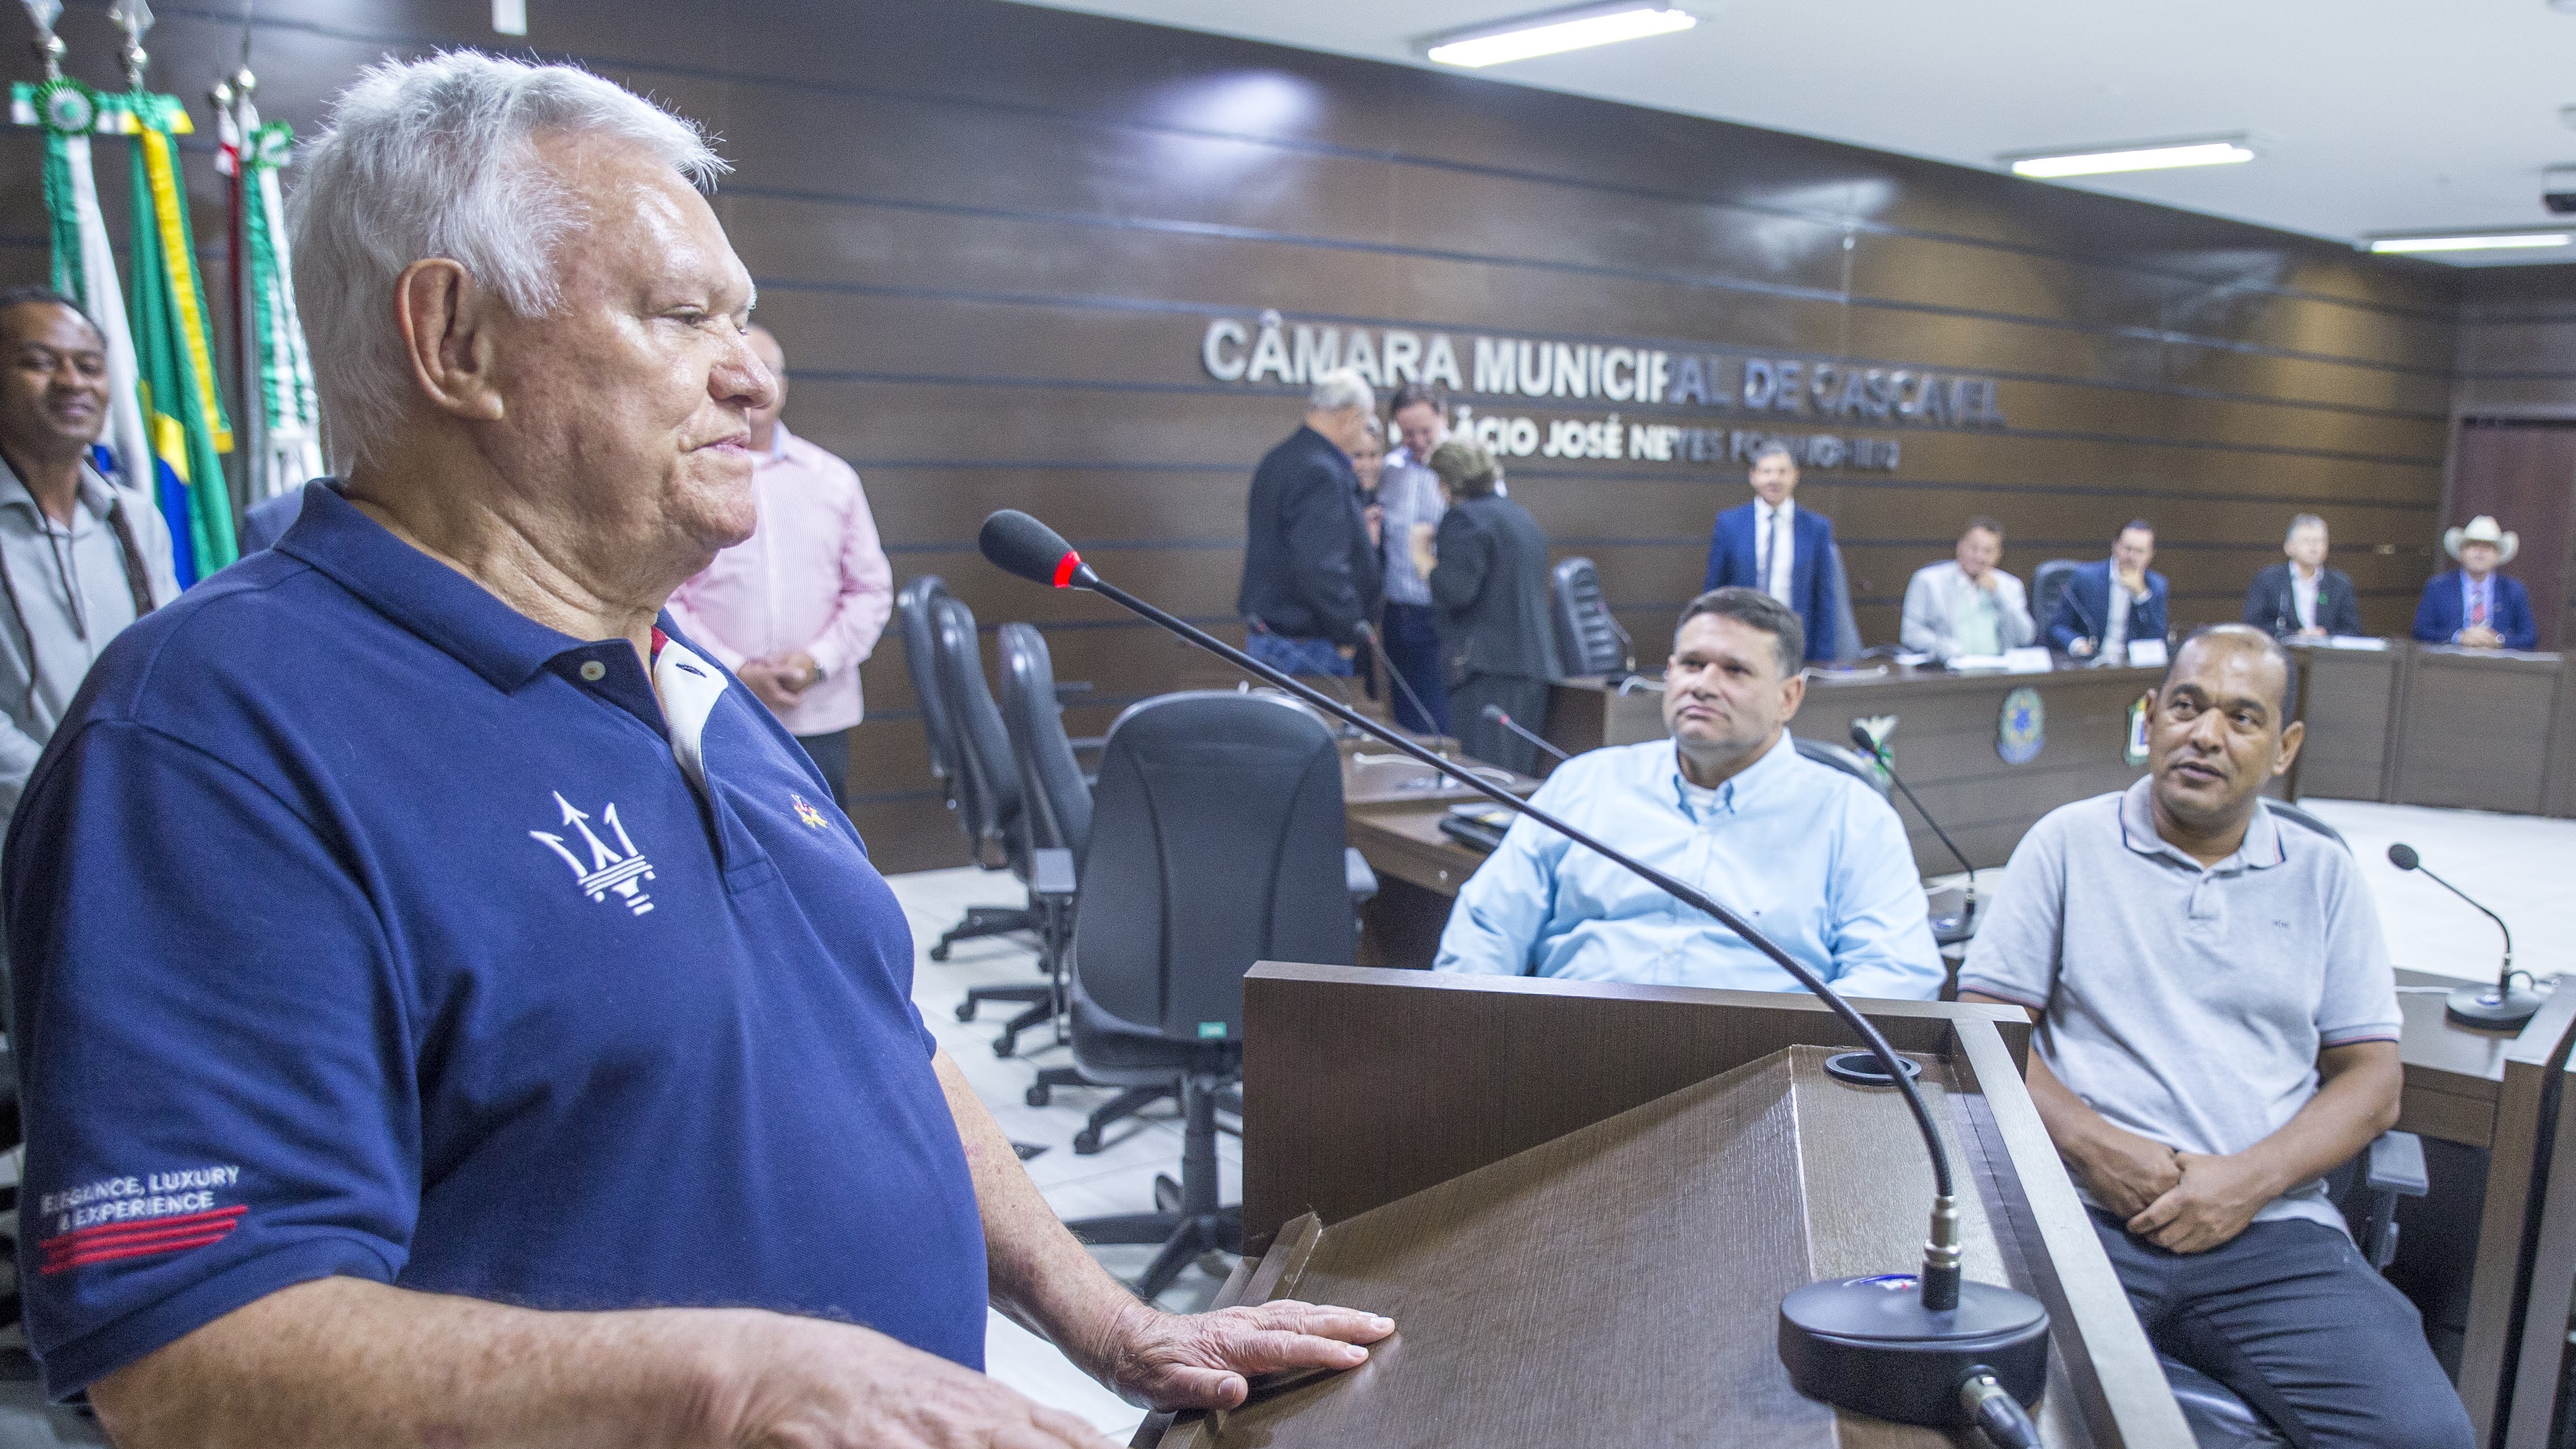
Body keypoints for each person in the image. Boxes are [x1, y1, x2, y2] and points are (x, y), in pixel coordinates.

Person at [4, 55, 1390, 1446]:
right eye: (683, 318)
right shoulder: (209, 736)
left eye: (746, 319)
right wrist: (736, 1386)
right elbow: (187, 1356)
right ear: (455, 340)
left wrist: (1110, 1321)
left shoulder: (687, 676)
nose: (750, 378)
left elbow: (879, 1043)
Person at [1959, 625, 2471, 1449]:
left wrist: (2242, 1183)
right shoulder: (2067, 842)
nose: (2204, 734)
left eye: (2241, 717)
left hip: (2268, 1232)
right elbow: (1982, 1029)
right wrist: (2095, 1146)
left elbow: (2372, 1080)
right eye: (2186, 707)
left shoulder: (2321, 874)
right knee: (1976, 1406)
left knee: (2422, 1435)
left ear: (2282, 747)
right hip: (2074, 1213)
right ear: (2150, 716)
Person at [1434, 587, 1941, 998]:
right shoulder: (1585, 784)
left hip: (1761, 1082)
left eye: (1734, 670)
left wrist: (1799, 1065)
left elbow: (1895, 974)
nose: (1703, 685)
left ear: (1789, 697)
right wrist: (1487, 1032)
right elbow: (1486, 929)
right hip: (1567, 1058)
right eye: (1691, 664)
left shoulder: (1850, 814)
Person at [664, 324, 892, 806]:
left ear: (783, 384)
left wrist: (817, 662)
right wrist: (735, 669)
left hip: (819, 714)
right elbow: (666, 596)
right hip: (718, 707)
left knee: (827, 857)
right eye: (737, 367)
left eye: (766, 369)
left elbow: (869, 591)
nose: (754, 381)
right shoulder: (687, 476)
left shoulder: (833, 479)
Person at [0, 286, 179, 832]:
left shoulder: (136, 519)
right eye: (39, 363)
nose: (72, 382)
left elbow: (168, 667)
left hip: (126, 830)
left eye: (89, 365)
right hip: (21, 839)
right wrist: (75, 801)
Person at [1407, 439, 1559, 774]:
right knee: (1516, 781)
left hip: (1488, 673)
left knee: (1486, 781)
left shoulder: (1462, 519)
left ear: (1446, 485)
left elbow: (1458, 591)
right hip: (1534, 668)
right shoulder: (1520, 516)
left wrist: (1421, 558)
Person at [1237, 366, 1382, 678]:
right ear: (1350, 417)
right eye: (1365, 423)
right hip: (1309, 646)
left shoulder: (1280, 458)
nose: (1362, 435)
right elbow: (1320, 565)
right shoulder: (1321, 471)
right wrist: (1348, 633)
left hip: (1280, 638)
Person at [1702, 443, 1837, 663]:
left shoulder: (1816, 528)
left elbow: (1824, 599)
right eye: (1767, 472)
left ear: (1795, 476)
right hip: (1739, 643)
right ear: (1754, 477)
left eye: (1782, 472)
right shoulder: (1730, 524)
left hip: (1795, 646)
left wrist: (1824, 659)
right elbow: (1715, 591)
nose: (1774, 479)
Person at [1375, 382, 1451, 734]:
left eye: (1426, 431)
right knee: (1404, 718)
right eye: (1408, 433)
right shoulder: (1389, 470)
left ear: (1444, 418)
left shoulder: (1466, 470)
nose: (1418, 441)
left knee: (1440, 717)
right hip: (1396, 611)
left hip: (1442, 614)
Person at [1900, 516, 2034, 659]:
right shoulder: (1927, 581)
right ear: (1960, 547)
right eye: (1974, 548)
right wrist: (1944, 648)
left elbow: (2026, 637)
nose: (1979, 557)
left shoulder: (2011, 586)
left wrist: (1999, 595)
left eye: (1988, 551)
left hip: (1998, 672)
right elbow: (1911, 633)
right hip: (1948, 672)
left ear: (1998, 555)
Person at [2048, 519, 2168, 661]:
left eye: (2140, 551)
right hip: (2090, 663)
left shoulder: (2156, 586)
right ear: (2115, 546)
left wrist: (2142, 596)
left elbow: (2158, 641)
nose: (2131, 557)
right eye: (2127, 549)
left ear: (2151, 555)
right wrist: (2077, 644)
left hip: (2131, 667)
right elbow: (2057, 627)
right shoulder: (2086, 578)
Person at [2412, 515, 2536, 652]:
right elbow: (2421, 632)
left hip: (2498, 668)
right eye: (2473, 545)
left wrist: (2498, 640)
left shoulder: (2513, 590)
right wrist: (2458, 638)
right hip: (2448, 666)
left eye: (2488, 546)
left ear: (2498, 556)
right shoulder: (2438, 587)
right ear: (2461, 553)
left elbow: (2529, 638)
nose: (2480, 552)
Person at [2245, 515, 2364, 641]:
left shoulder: (2340, 584)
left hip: (2325, 656)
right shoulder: (2268, 579)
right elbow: (2252, 626)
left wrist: (2326, 636)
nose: (2313, 547)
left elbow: (2354, 630)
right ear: (2289, 547)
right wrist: (2295, 636)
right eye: (2306, 541)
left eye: (2319, 541)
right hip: (2281, 654)